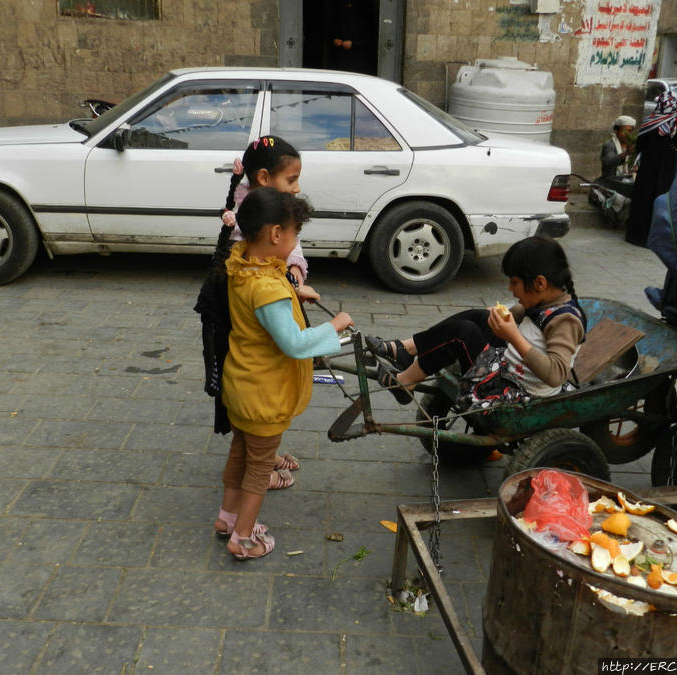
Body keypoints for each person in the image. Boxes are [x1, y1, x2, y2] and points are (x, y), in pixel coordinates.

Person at [214, 188, 353, 560]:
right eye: (294, 233)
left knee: (239, 456)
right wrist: (335, 327)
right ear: (276, 235)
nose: (294, 241)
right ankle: (242, 538)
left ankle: (227, 518)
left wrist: (294, 295)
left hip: (241, 385)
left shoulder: (244, 264)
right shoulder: (267, 288)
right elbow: (292, 343)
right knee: (259, 469)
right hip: (265, 394)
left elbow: (268, 305)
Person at [366, 236, 586, 416]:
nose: (511, 289)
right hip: (509, 368)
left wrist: (513, 337)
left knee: (463, 334)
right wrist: (502, 315)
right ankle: (406, 349)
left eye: (515, 282)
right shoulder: (542, 301)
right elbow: (520, 313)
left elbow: (556, 374)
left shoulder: (566, 321)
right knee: (478, 317)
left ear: (539, 283)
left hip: (517, 389)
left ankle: (404, 381)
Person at [221, 135, 315, 489]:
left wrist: (293, 275)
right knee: (256, 424)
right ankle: (248, 513)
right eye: (291, 180)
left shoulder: (264, 221)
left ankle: (264, 454)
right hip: (256, 362)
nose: (297, 187)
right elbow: (292, 342)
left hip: (246, 368)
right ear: (263, 179)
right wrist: (332, 327)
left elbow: (293, 255)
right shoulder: (257, 247)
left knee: (251, 428)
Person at [625, 92, 677, 248]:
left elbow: (640, 145)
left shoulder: (649, 123)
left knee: (643, 201)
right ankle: (658, 239)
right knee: (662, 202)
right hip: (667, 171)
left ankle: (637, 237)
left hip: (648, 170)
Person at [599, 115, 637, 180]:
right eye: (624, 131)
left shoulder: (633, 145)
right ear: (616, 131)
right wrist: (626, 153)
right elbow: (609, 162)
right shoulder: (609, 145)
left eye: (630, 131)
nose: (627, 134)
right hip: (610, 182)